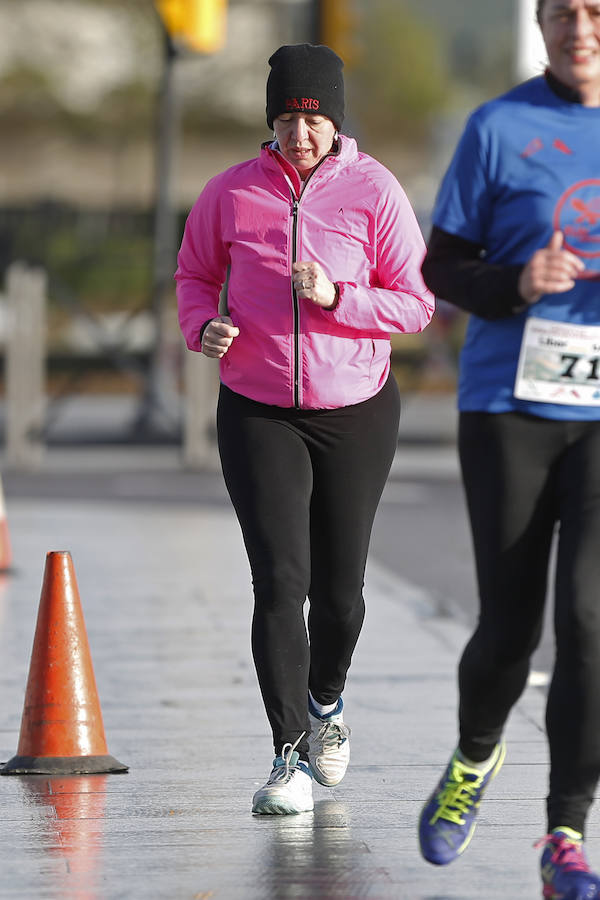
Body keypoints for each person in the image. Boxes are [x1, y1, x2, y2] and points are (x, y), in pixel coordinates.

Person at [175, 43, 434, 815]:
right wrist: (204, 327)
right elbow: (193, 275)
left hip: (356, 407)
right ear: (271, 120)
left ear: (335, 122)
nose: (300, 136)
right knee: (280, 585)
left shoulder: (375, 191)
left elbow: (417, 304)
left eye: (313, 121)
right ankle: (287, 755)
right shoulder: (229, 194)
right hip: (258, 408)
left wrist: (336, 296)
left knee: (342, 597)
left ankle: (326, 705)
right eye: (287, 119)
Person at [417, 1, 600, 895]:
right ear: (542, 22)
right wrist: (516, 280)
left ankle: (565, 832)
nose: (580, 26)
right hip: (509, 404)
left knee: (591, 621)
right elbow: (441, 265)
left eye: (595, 10)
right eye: (562, 10)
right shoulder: (499, 127)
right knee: (509, 627)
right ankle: (474, 757)